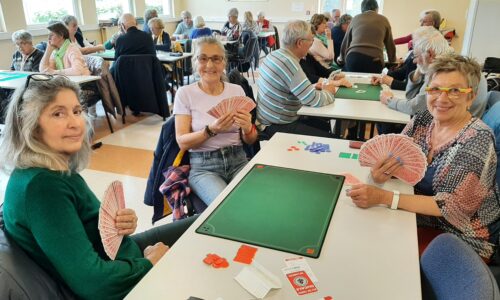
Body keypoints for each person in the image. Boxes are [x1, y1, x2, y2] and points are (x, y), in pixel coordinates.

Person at [0, 75, 196, 299]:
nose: (75, 123)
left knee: (202, 222)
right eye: (58, 113)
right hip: (119, 278)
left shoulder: (46, 172)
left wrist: (119, 223)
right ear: (31, 125)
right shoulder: (43, 188)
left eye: (76, 111)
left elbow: (79, 232)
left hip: (121, 255)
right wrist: (149, 263)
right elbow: (94, 284)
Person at [347, 53, 500, 262]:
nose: (442, 98)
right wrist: (382, 172)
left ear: (470, 96)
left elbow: (451, 207)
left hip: (460, 234)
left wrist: (384, 197)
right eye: (435, 89)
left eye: (454, 91)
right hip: (416, 214)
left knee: (375, 252)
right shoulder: (425, 118)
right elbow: (398, 152)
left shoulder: (478, 139)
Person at [173, 36, 258, 206]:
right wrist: (211, 130)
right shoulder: (185, 93)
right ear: (195, 62)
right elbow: (182, 142)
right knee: (227, 206)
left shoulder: (237, 90)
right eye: (203, 58)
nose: (210, 65)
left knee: (257, 200)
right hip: (204, 167)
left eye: (216, 59)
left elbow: (251, 140)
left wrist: (248, 128)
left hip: (238, 160)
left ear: (224, 62)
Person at [380, 26, 488, 119]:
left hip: (454, 128)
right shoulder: (451, 61)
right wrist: (419, 69)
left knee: (388, 124)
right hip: (456, 122)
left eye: (416, 56)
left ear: (430, 54)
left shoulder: (444, 71)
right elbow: (411, 97)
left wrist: (389, 100)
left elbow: (414, 108)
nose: (414, 60)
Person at [256, 20, 338, 139]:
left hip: (269, 118)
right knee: (332, 140)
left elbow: (291, 90)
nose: (312, 43)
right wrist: (329, 91)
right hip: (277, 124)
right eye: (311, 40)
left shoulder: (274, 55)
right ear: (300, 43)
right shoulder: (290, 64)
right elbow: (314, 100)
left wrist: (312, 88)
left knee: (324, 126)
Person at [339, 0, 396, 73]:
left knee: (349, 82)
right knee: (373, 83)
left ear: (362, 9)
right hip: (374, 60)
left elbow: (346, 41)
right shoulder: (384, 20)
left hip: (353, 58)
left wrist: (342, 59)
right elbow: (390, 44)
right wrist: (392, 61)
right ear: (377, 9)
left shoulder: (355, 18)